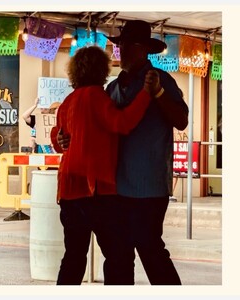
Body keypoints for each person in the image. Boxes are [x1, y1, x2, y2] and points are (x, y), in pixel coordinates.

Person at [57, 20, 188, 285]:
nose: (122, 51)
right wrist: (61, 137)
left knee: (150, 248)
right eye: (120, 46)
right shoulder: (111, 88)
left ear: (143, 49)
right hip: (114, 190)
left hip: (147, 185)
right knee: (120, 257)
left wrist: (158, 93)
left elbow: (181, 120)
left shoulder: (160, 78)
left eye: (128, 45)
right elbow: (103, 125)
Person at [51, 45, 161, 285]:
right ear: (101, 69)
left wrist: (59, 138)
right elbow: (122, 123)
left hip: (69, 189)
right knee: (118, 255)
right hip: (96, 189)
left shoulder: (68, 102)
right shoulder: (96, 97)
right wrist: (146, 94)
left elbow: (58, 138)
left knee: (74, 256)